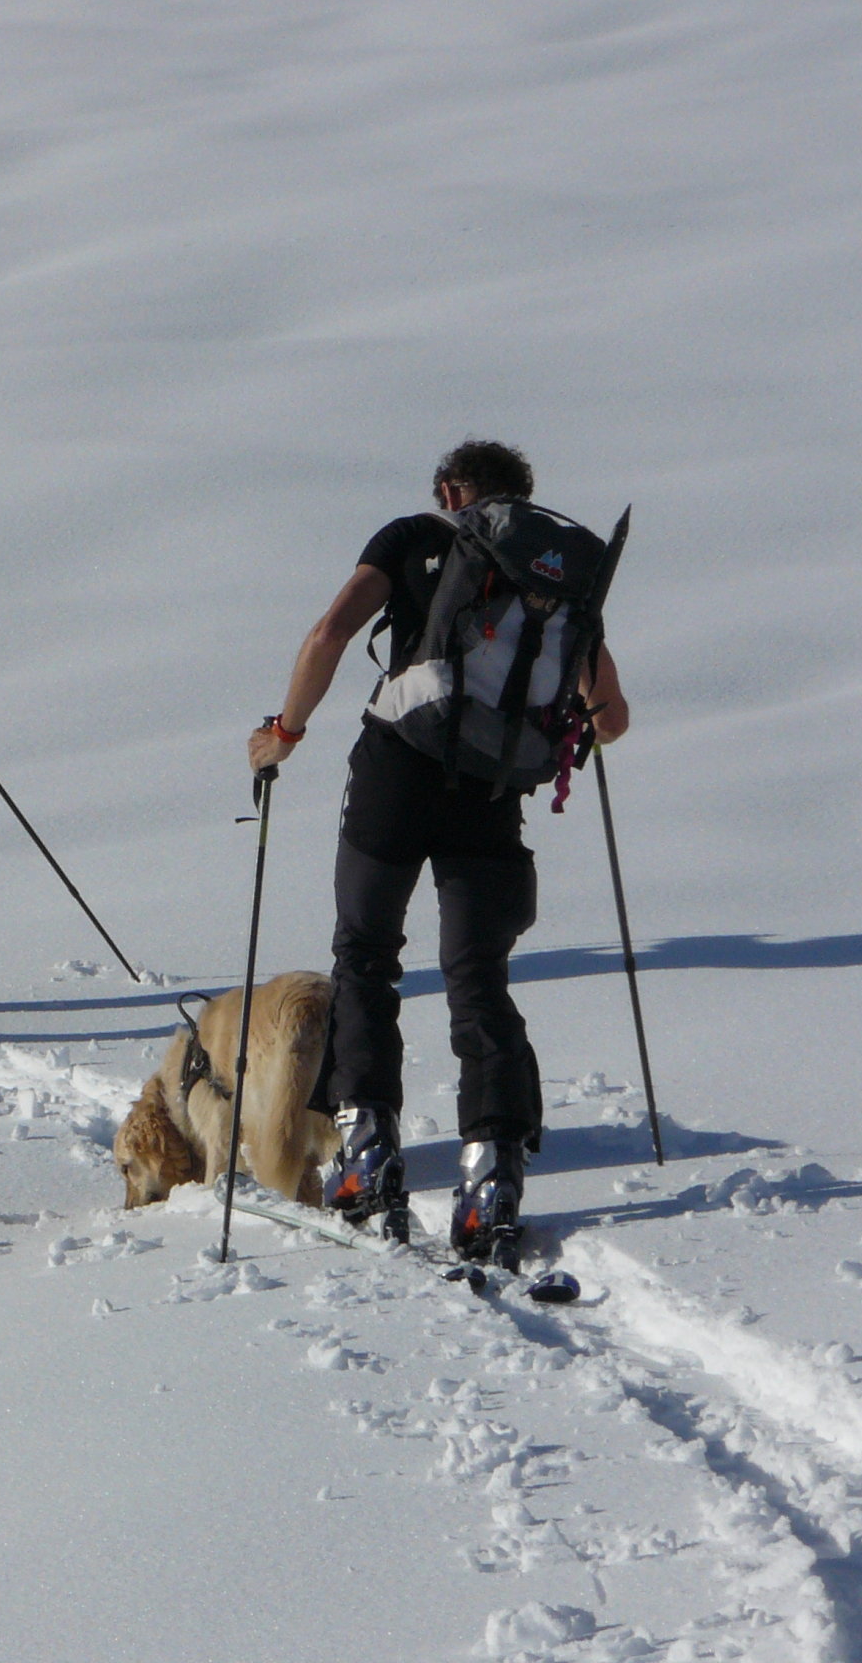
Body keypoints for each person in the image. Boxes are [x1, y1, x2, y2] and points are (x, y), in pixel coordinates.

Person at [245, 439, 630, 1260]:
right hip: (490, 796)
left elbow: (330, 631)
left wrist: (285, 732)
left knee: (365, 953)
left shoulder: (414, 538)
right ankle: (492, 1175)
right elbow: (613, 716)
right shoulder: (556, 576)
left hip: (396, 771)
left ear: (454, 491)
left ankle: (366, 1154)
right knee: (478, 978)